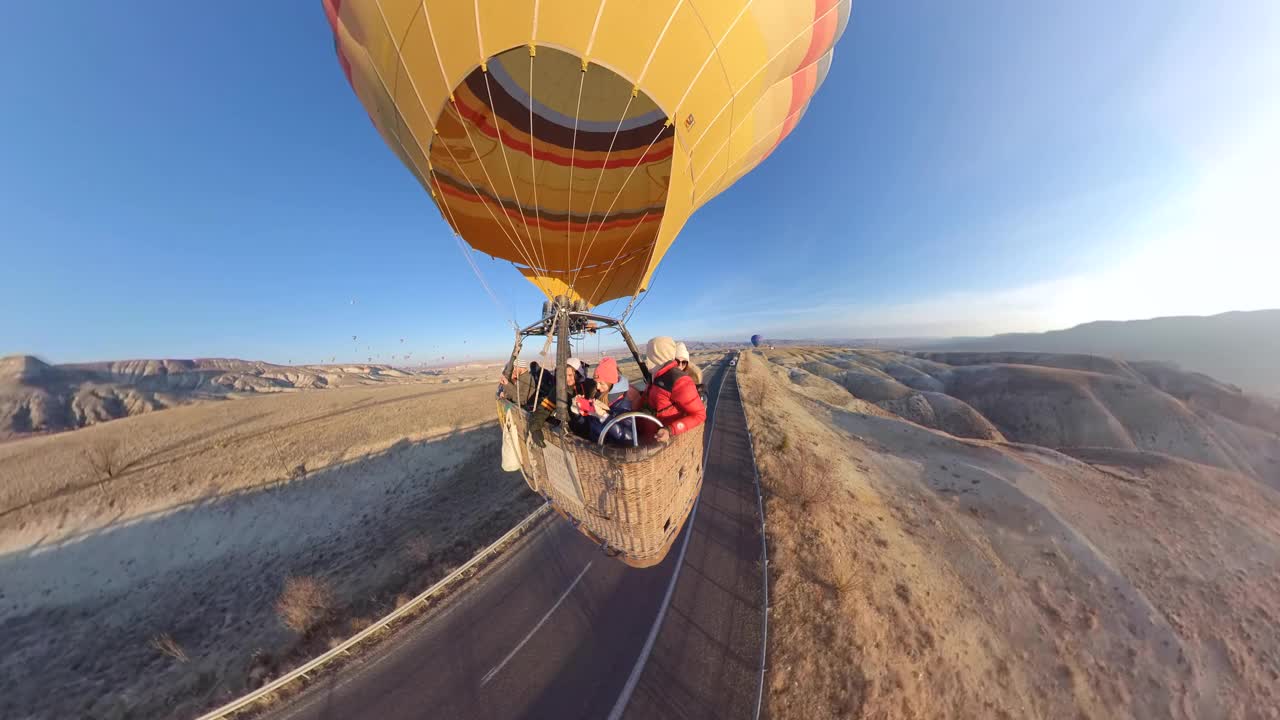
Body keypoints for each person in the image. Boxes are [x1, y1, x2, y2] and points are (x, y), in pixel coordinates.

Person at [637, 336, 706, 444]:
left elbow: (699, 415)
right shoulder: (655, 375)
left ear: (657, 354)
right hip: (645, 435)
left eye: (650, 354)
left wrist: (670, 430)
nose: (647, 358)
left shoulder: (679, 381)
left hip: (660, 441)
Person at [571, 357, 637, 446]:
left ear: (611, 383)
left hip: (611, 453)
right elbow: (586, 429)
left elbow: (628, 438)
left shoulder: (622, 404)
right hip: (595, 448)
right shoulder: (598, 396)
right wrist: (578, 413)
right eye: (596, 382)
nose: (597, 387)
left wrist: (604, 416)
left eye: (601, 383)